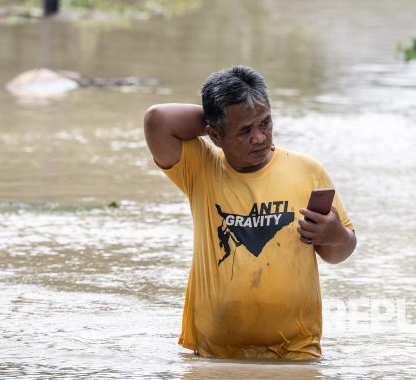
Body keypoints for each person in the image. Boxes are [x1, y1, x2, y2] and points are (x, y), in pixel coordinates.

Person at [143, 65, 356, 359]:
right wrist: (221, 114)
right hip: (216, 356)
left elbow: (337, 254)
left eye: (265, 123)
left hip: (296, 354)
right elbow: (157, 120)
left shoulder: (307, 171)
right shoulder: (201, 168)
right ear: (214, 136)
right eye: (245, 131)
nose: (259, 138)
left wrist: (337, 235)